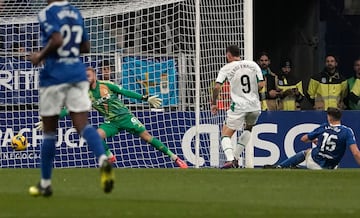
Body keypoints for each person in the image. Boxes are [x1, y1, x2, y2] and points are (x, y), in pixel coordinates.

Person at [28, 0, 114, 197]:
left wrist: (40, 55)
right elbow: (85, 46)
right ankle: (103, 160)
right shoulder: (76, 12)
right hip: (77, 73)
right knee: (82, 125)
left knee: (49, 131)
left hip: (54, 75)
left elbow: (57, 40)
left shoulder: (47, 12)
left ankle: (45, 183)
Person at [38, 67, 188, 168]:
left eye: (88, 75)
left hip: (126, 117)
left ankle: (175, 157)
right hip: (111, 122)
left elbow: (125, 92)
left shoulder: (106, 85)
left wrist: (145, 98)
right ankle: (110, 156)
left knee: (147, 137)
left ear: (94, 76)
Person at [211, 45, 265, 168]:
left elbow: (217, 87)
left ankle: (230, 159)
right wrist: (251, 93)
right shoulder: (253, 64)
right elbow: (261, 84)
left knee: (225, 134)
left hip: (239, 106)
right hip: (255, 106)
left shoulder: (226, 68)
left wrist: (214, 103)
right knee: (248, 128)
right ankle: (235, 158)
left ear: (228, 55)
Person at [264, 107, 360, 169]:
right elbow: (355, 153)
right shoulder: (347, 131)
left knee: (308, 151)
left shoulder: (324, 127)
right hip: (331, 166)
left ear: (329, 117)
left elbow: (304, 139)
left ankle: (281, 166)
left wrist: (315, 140)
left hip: (315, 161)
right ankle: (296, 169)